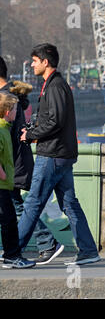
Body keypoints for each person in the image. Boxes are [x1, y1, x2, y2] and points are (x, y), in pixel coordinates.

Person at [18, 43, 100, 265]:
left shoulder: (54, 87)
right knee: (69, 203)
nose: (32, 64)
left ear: (45, 62)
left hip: (51, 155)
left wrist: (31, 134)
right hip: (62, 154)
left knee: (33, 202)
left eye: (35, 61)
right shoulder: (55, 85)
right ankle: (88, 250)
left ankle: (13, 252)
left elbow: (54, 121)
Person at [0, 56, 65, 265]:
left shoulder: (5, 98)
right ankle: (20, 249)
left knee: (15, 207)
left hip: (11, 164)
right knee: (16, 206)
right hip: (17, 161)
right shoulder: (13, 95)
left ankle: (42, 244)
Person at [0, 92, 36, 268]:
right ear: (7, 111)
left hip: (5, 185)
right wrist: (3, 173)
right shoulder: (1, 130)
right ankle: (12, 256)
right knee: (9, 221)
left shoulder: (5, 128)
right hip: (2, 184)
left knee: (9, 219)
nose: (17, 112)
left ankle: (11, 255)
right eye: (15, 108)